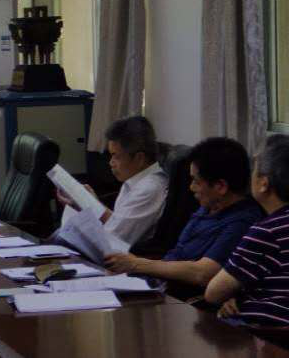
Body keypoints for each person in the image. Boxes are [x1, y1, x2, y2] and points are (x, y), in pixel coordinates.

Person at [205, 135, 289, 328]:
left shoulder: (268, 231)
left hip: (266, 333)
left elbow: (214, 293)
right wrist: (238, 296)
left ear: (263, 184)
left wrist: (233, 296)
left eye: (254, 168)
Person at [104, 137, 264, 287]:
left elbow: (203, 273)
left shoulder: (242, 222)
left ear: (220, 186)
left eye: (196, 181)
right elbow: (177, 254)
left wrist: (136, 264)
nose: (191, 187)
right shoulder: (207, 207)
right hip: (160, 284)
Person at [57, 116, 167, 246]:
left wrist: (83, 216)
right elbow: (118, 223)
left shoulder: (148, 190)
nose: (111, 163)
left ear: (139, 158)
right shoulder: (136, 181)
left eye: (116, 156)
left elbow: (110, 241)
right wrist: (88, 203)